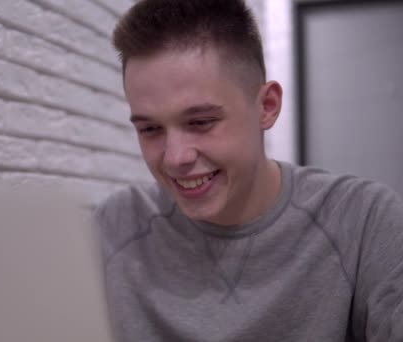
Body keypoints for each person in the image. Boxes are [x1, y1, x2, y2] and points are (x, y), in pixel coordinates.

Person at [94, 0, 403, 341]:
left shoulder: (363, 221)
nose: (174, 158)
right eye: (150, 129)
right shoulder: (116, 227)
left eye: (201, 122)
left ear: (267, 107)